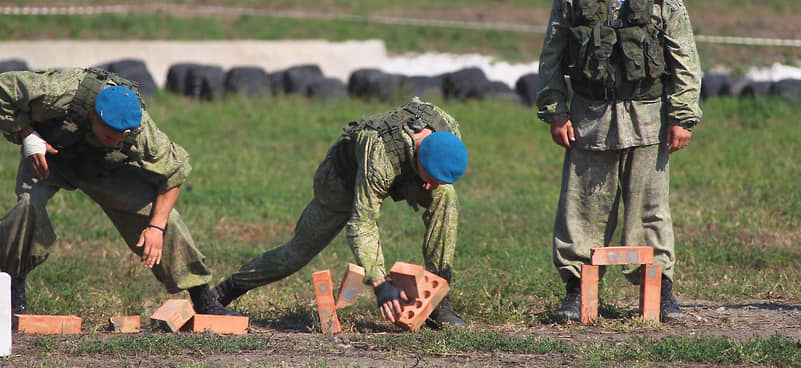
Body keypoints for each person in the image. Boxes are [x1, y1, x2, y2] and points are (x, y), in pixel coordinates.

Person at [536, 0, 702, 323]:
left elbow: (685, 61)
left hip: (647, 121)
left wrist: (682, 117)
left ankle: (661, 291)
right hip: (589, 119)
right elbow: (552, 56)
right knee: (581, 207)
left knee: (649, 211)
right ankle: (576, 290)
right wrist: (555, 111)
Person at [0, 67, 239, 316]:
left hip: (102, 168)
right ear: (93, 115)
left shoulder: (143, 131)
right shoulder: (61, 91)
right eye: (107, 135)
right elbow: (3, 88)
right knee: (26, 207)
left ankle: (203, 299)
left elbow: (173, 173)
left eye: (120, 137)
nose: (114, 140)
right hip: (48, 155)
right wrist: (27, 134)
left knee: (168, 219)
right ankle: (13, 287)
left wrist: (156, 227)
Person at [213, 98, 469, 327]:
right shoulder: (380, 155)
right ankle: (223, 292)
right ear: (418, 157)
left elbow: (436, 179)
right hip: (342, 180)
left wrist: (432, 181)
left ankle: (439, 299)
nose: (430, 187)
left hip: (402, 172)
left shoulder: (447, 131)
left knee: (446, 197)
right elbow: (363, 224)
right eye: (430, 179)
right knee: (294, 255)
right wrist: (381, 284)